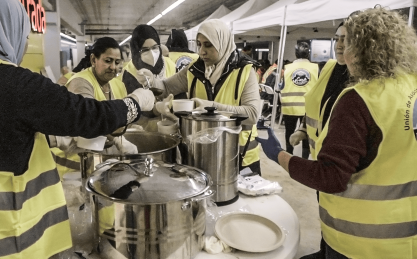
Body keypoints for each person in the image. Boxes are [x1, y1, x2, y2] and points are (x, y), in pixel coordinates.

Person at [0, 0, 154, 258]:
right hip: (7, 240)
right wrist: (135, 103)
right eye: (22, 35)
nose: (24, 44)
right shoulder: (9, 81)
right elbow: (89, 116)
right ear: (0, 29)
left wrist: (44, 136)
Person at [258, 7, 417, 259]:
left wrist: (279, 155)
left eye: (349, 42)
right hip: (406, 239)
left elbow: (330, 177)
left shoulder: (360, 99)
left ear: (365, 48)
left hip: (360, 240)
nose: (344, 49)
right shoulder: (411, 86)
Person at [151, 19, 262, 175]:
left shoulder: (245, 71)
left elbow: (252, 114)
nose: (201, 51)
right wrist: (150, 82)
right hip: (205, 156)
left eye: (208, 45)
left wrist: (211, 108)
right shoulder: (195, 69)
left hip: (240, 157)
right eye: (199, 44)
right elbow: (167, 87)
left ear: (222, 42)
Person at [290, 22, 350, 259]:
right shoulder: (329, 68)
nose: (340, 44)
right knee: (324, 209)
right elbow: (317, 105)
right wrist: (303, 130)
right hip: (322, 158)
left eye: (346, 39)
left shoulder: (363, 79)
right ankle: (325, 249)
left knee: (342, 218)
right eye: (337, 38)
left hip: (344, 163)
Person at [51, 37, 138, 179]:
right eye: (107, 61)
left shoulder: (117, 85)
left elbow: (119, 118)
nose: (113, 67)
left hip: (100, 165)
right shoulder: (80, 82)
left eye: (117, 62)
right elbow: (90, 119)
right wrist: (118, 140)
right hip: (74, 167)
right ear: (93, 60)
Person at [119, 24, 176, 131]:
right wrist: (158, 108)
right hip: (145, 130)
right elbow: (136, 106)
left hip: (170, 126)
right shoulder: (129, 72)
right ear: (136, 51)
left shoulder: (170, 65)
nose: (152, 53)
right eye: (145, 50)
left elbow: (179, 92)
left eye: (155, 47)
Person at [279, 41, 318, 159]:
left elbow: (281, 86)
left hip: (289, 107)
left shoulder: (287, 68)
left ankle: (289, 158)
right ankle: (305, 159)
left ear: (295, 53)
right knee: (307, 133)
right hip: (308, 108)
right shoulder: (315, 68)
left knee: (289, 133)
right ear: (308, 54)